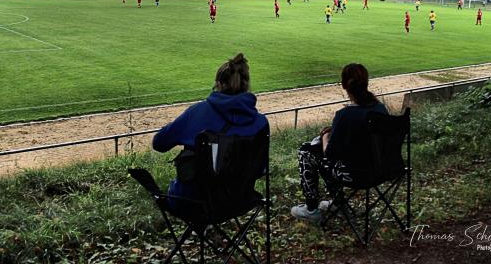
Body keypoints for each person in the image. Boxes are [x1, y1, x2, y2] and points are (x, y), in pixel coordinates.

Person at [152, 53, 269, 215]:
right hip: (239, 201)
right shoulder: (261, 123)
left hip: (194, 203)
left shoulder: (199, 112)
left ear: (219, 84)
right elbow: (260, 169)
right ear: (246, 85)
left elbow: (159, 143)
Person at [291, 63, 388, 221]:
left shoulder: (344, 115)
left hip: (356, 175)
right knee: (336, 158)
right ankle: (338, 204)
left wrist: (325, 136)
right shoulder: (380, 109)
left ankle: (311, 208)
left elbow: (329, 154)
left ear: (344, 85)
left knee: (306, 151)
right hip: (382, 169)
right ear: (366, 83)